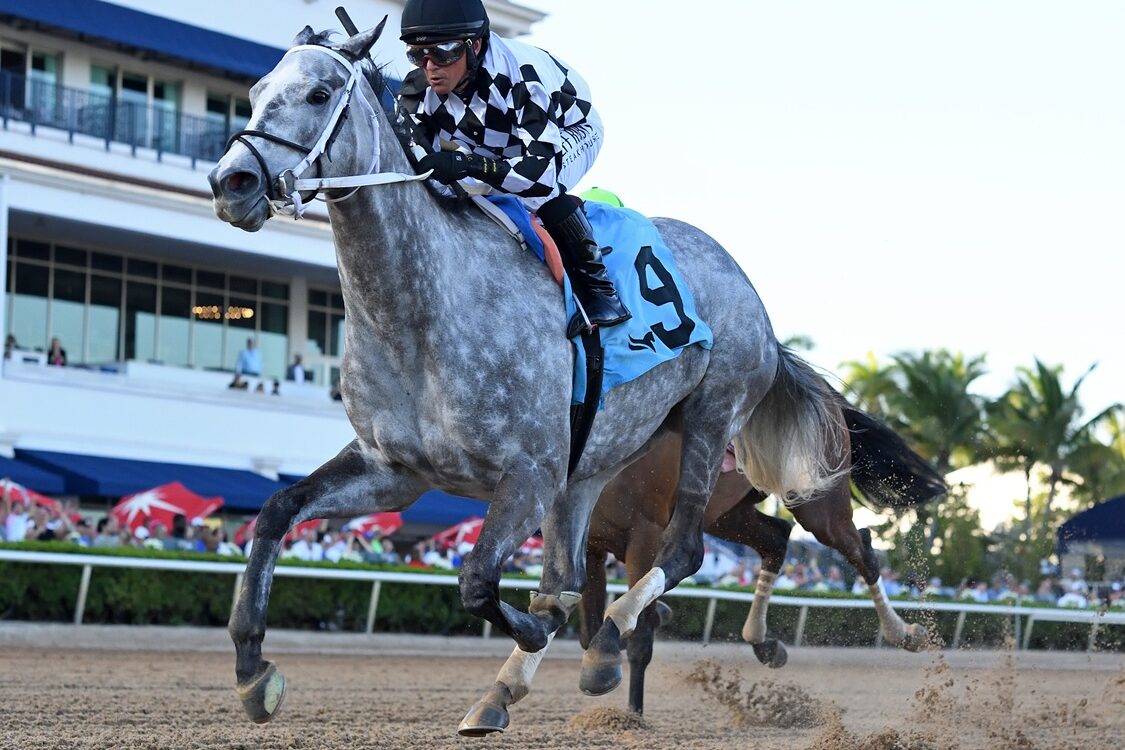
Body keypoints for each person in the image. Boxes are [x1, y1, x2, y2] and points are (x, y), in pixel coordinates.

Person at [397, 0, 630, 337]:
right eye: (417, 55)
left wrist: (467, 163)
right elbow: (413, 162)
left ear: (474, 45)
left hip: (567, 132)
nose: (430, 67)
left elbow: (539, 174)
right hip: (498, 144)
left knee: (540, 193)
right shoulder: (418, 90)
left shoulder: (521, 75)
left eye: (442, 52)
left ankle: (601, 293)